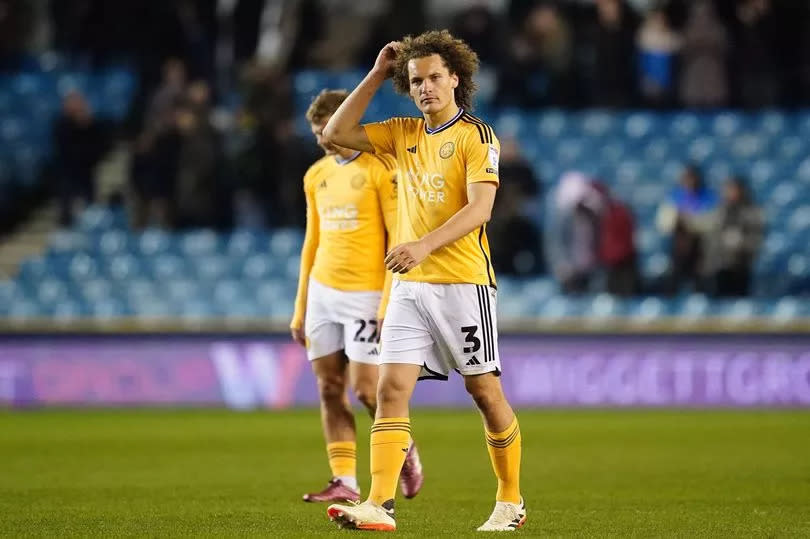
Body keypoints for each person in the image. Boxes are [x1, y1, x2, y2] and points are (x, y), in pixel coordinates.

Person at [322, 30, 525, 532]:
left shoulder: (476, 136)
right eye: (416, 81)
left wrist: (422, 246)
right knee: (391, 390)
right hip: (410, 288)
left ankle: (510, 499)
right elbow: (334, 134)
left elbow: (480, 209)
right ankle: (379, 504)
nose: (426, 87)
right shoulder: (402, 133)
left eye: (435, 77)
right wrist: (375, 75)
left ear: (455, 78)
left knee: (483, 391)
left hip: (462, 283)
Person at [291, 89, 423, 504]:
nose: (322, 139)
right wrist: (300, 308)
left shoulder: (380, 170)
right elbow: (311, 242)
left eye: (326, 130)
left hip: (366, 294)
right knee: (329, 386)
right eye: (315, 133)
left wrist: (387, 304)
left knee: (367, 390)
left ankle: (404, 448)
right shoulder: (316, 175)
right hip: (322, 294)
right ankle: (344, 479)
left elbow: (397, 237)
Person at [703, 177, 764, 297]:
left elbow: (757, 239)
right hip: (719, 265)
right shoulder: (720, 210)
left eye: (734, 190)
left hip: (740, 265)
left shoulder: (752, 211)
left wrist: (740, 241)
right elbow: (711, 235)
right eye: (728, 190)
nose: (731, 193)